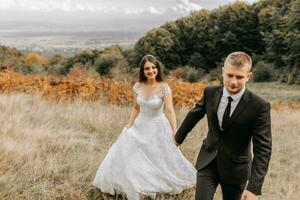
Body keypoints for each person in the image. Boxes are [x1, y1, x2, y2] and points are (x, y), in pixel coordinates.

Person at [93, 54, 196, 200]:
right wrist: (129, 124)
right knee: (128, 153)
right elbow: (136, 107)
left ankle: (156, 180)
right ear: (143, 71)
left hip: (157, 126)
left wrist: (175, 132)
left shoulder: (164, 88)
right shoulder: (138, 86)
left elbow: (170, 111)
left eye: (153, 67)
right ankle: (130, 182)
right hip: (140, 124)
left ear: (157, 69)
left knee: (159, 158)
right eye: (147, 68)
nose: (151, 71)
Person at [174, 51, 272, 200]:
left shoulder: (259, 106)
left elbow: (263, 148)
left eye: (239, 77)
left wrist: (254, 187)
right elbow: (194, 115)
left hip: (236, 170)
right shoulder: (210, 92)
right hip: (207, 162)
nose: (233, 81)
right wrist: (177, 139)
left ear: (248, 76)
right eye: (229, 75)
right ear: (223, 72)